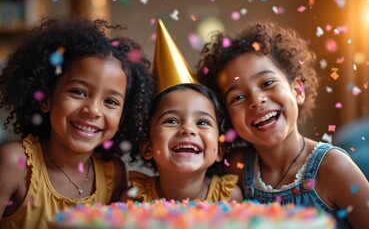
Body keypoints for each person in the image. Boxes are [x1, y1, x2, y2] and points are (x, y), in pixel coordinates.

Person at [195, 19, 369, 228]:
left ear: (298, 90)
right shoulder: (234, 169)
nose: (256, 100)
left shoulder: (333, 167)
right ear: (227, 117)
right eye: (238, 97)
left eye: (267, 83)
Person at [0, 17, 153, 228]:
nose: (93, 110)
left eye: (110, 101)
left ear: (123, 117)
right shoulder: (15, 165)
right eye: (78, 92)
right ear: (46, 98)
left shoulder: (114, 174)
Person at [123, 19, 243, 203]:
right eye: (171, 121)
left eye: (202, 122)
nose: (188, 129)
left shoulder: (228, 197)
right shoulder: (135, 198)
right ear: (147, 146)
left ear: (219, 150)